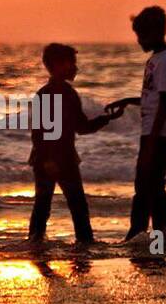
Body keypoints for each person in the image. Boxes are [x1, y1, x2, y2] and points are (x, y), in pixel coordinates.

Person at [105, 5, 166, 243]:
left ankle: (140, 232)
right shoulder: (156, 59)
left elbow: (165, 102)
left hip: (159, 132)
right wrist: (129, 101)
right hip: (153, 130)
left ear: (155, 33)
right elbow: (153, 97)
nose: (138, 41)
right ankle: (162, 232)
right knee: (151, 183)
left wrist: (152, 140)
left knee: (146, 182)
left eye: (141, 35)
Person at [28, 43, 115, 245]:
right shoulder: (56, 94)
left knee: (45, 206)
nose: (76, 68)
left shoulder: (57, 93)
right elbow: (40, 134)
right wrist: (48, 159)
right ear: (58, 65)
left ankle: (35, 245)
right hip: (58, 159)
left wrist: (106, 119)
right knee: (74, 206)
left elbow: (81, 127)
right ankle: (83, 246)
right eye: (72, 63)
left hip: (55, 158)